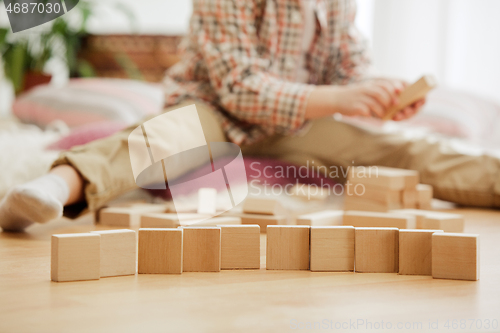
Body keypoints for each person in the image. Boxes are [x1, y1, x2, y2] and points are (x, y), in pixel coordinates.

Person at [1, 0, 499, 231]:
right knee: (161, 138)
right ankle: (54, 189)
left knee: (402, 150)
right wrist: (339, 99)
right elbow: (238, 86)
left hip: (297, 123)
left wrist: (377, 96)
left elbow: (350, 69)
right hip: (214, 109)